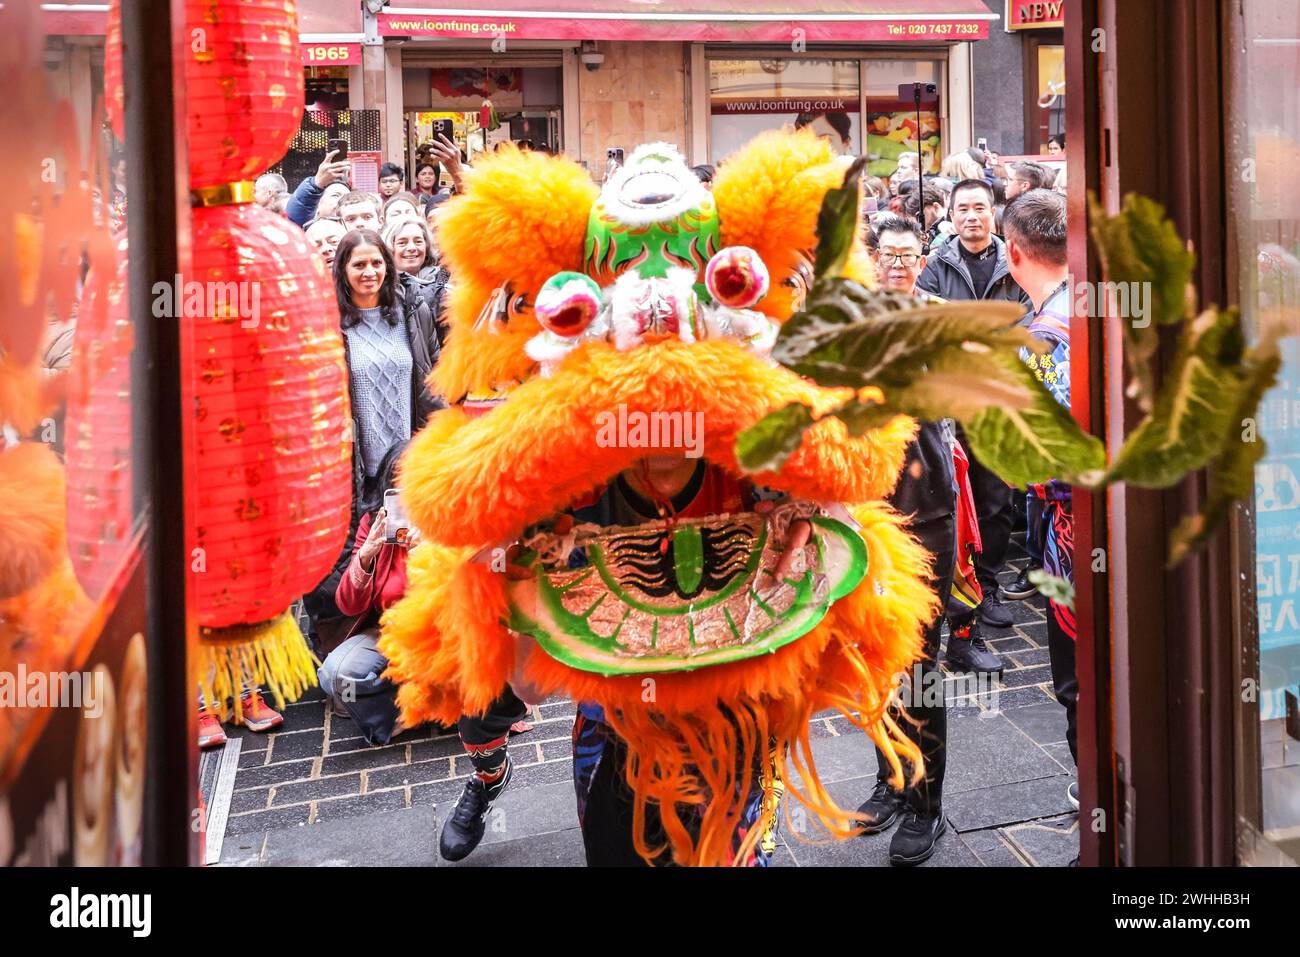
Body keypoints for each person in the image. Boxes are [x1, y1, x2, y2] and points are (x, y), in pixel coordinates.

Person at [856, 213, 964, 864]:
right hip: (868, 516)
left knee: (920, 664)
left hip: (926, 513)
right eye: (887, 252)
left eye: (908, 252)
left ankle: (928, 805)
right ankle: (890, 779)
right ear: (872, 258)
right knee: (871, 660)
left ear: (923, 255)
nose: (898, 262)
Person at [301, 229, 444, 654]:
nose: (369, 272)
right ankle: (340, 644)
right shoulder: (329, 324)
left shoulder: (410, 313)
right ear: (342, 271)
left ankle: (410, 645)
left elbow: (431, 382)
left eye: (376, 262)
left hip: (406, 457)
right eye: (358, 264)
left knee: (409, 551)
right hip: (353, 465)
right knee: (350, 552)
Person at [915, 179, 1030, 630]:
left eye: (979, 208)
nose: (971, 216)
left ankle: (990, 580)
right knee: (953, 498)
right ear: (950, 213)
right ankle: (958, 589)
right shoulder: (936, 265)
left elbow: (1029, 320)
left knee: (997, 500)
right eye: (962, 208)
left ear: (994, 212)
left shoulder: (1014, 262)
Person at [1002, 189, 1078, 813]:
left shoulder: (1045, 336)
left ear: (1012, 253)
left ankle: (1104, 817)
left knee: (1081, 679)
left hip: (1077, 532)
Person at [382, 217, 448, 323]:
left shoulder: (443, 279)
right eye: (402, 243)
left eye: (418, 242)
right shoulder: (384, 288)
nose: (412, 248)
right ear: (390, 248)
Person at [286, 148, 351, 227]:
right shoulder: (306, 232)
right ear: (317, 206)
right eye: (335, 195)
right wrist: (316, 183)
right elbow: (295, 216)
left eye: (347, 197)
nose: (342, 200)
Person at [904, 181, 952, 249]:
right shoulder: (930, 233)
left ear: (936, 207)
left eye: (919, 216)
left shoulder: (950, 228)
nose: (917, 222)